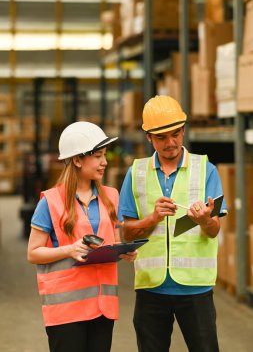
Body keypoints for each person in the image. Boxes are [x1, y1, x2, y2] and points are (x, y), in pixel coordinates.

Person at [119, 95, 227, 352]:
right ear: (148, 137)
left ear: (183, 130)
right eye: (161, 137)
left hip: (196, 287)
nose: (170, 143)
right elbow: (126, 233)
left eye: (176, 134)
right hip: (151, 287)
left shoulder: (206, 169)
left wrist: (204, 221)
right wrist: (153, 218)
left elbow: (214, 231)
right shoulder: (136, 173)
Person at [27, 121, 136, 352]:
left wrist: (124, 250)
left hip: (102, 307)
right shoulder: (50, 201)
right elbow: (33, 253)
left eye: (104, 155)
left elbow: (113, 240)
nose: (104, 162)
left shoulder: (111, 196)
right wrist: (69, 250)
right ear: (77, 160)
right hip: (66, 311)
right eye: (97, 156)